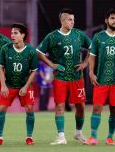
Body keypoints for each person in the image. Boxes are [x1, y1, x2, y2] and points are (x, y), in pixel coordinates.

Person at [37, 8, 91, 145]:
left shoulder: (79, 34)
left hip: (77, 77)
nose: (72, 22)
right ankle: (61, 137)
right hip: (60, 77)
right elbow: (38, 52)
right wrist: (52, 64)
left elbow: (93, 47)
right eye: (69, 20)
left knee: (81, 106)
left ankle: (78, 132)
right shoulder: (52, 36)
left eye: (73, 20)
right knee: (59, 106)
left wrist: (85, 63)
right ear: (62, 20)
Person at [84, 9, 115, 146]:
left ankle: (110, 137)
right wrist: (91, 73)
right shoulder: (98, 37)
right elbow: (92, 57)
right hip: (101, 80)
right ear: (106, 20)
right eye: (112, 18)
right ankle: (93, 137)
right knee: (97, 108)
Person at [0, 23, 38, 146]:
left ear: (23, 35)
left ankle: (29, 137)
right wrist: (3, 85)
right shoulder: (5, 49)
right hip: (8, 85)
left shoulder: (31, 51)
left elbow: (34, 71)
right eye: (12, 33)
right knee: (2, 108)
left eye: (15, 33)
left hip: (25, 85)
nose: (12, 35)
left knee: (29, 109)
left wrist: (26, 86)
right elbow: (0, 68)